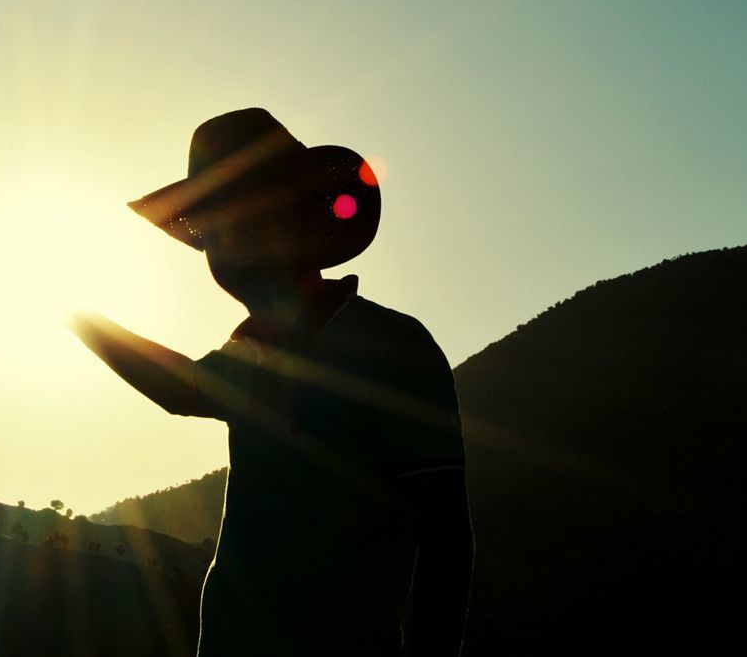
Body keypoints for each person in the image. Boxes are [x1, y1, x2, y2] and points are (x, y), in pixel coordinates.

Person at [68, 108, 473, 656]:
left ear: (307, 221)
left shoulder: (389, 345)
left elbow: (444, 538)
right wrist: (70, 312)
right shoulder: (249, 352)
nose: (233, 240)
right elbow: (181, 390)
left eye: (257, 214)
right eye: (217, 227)